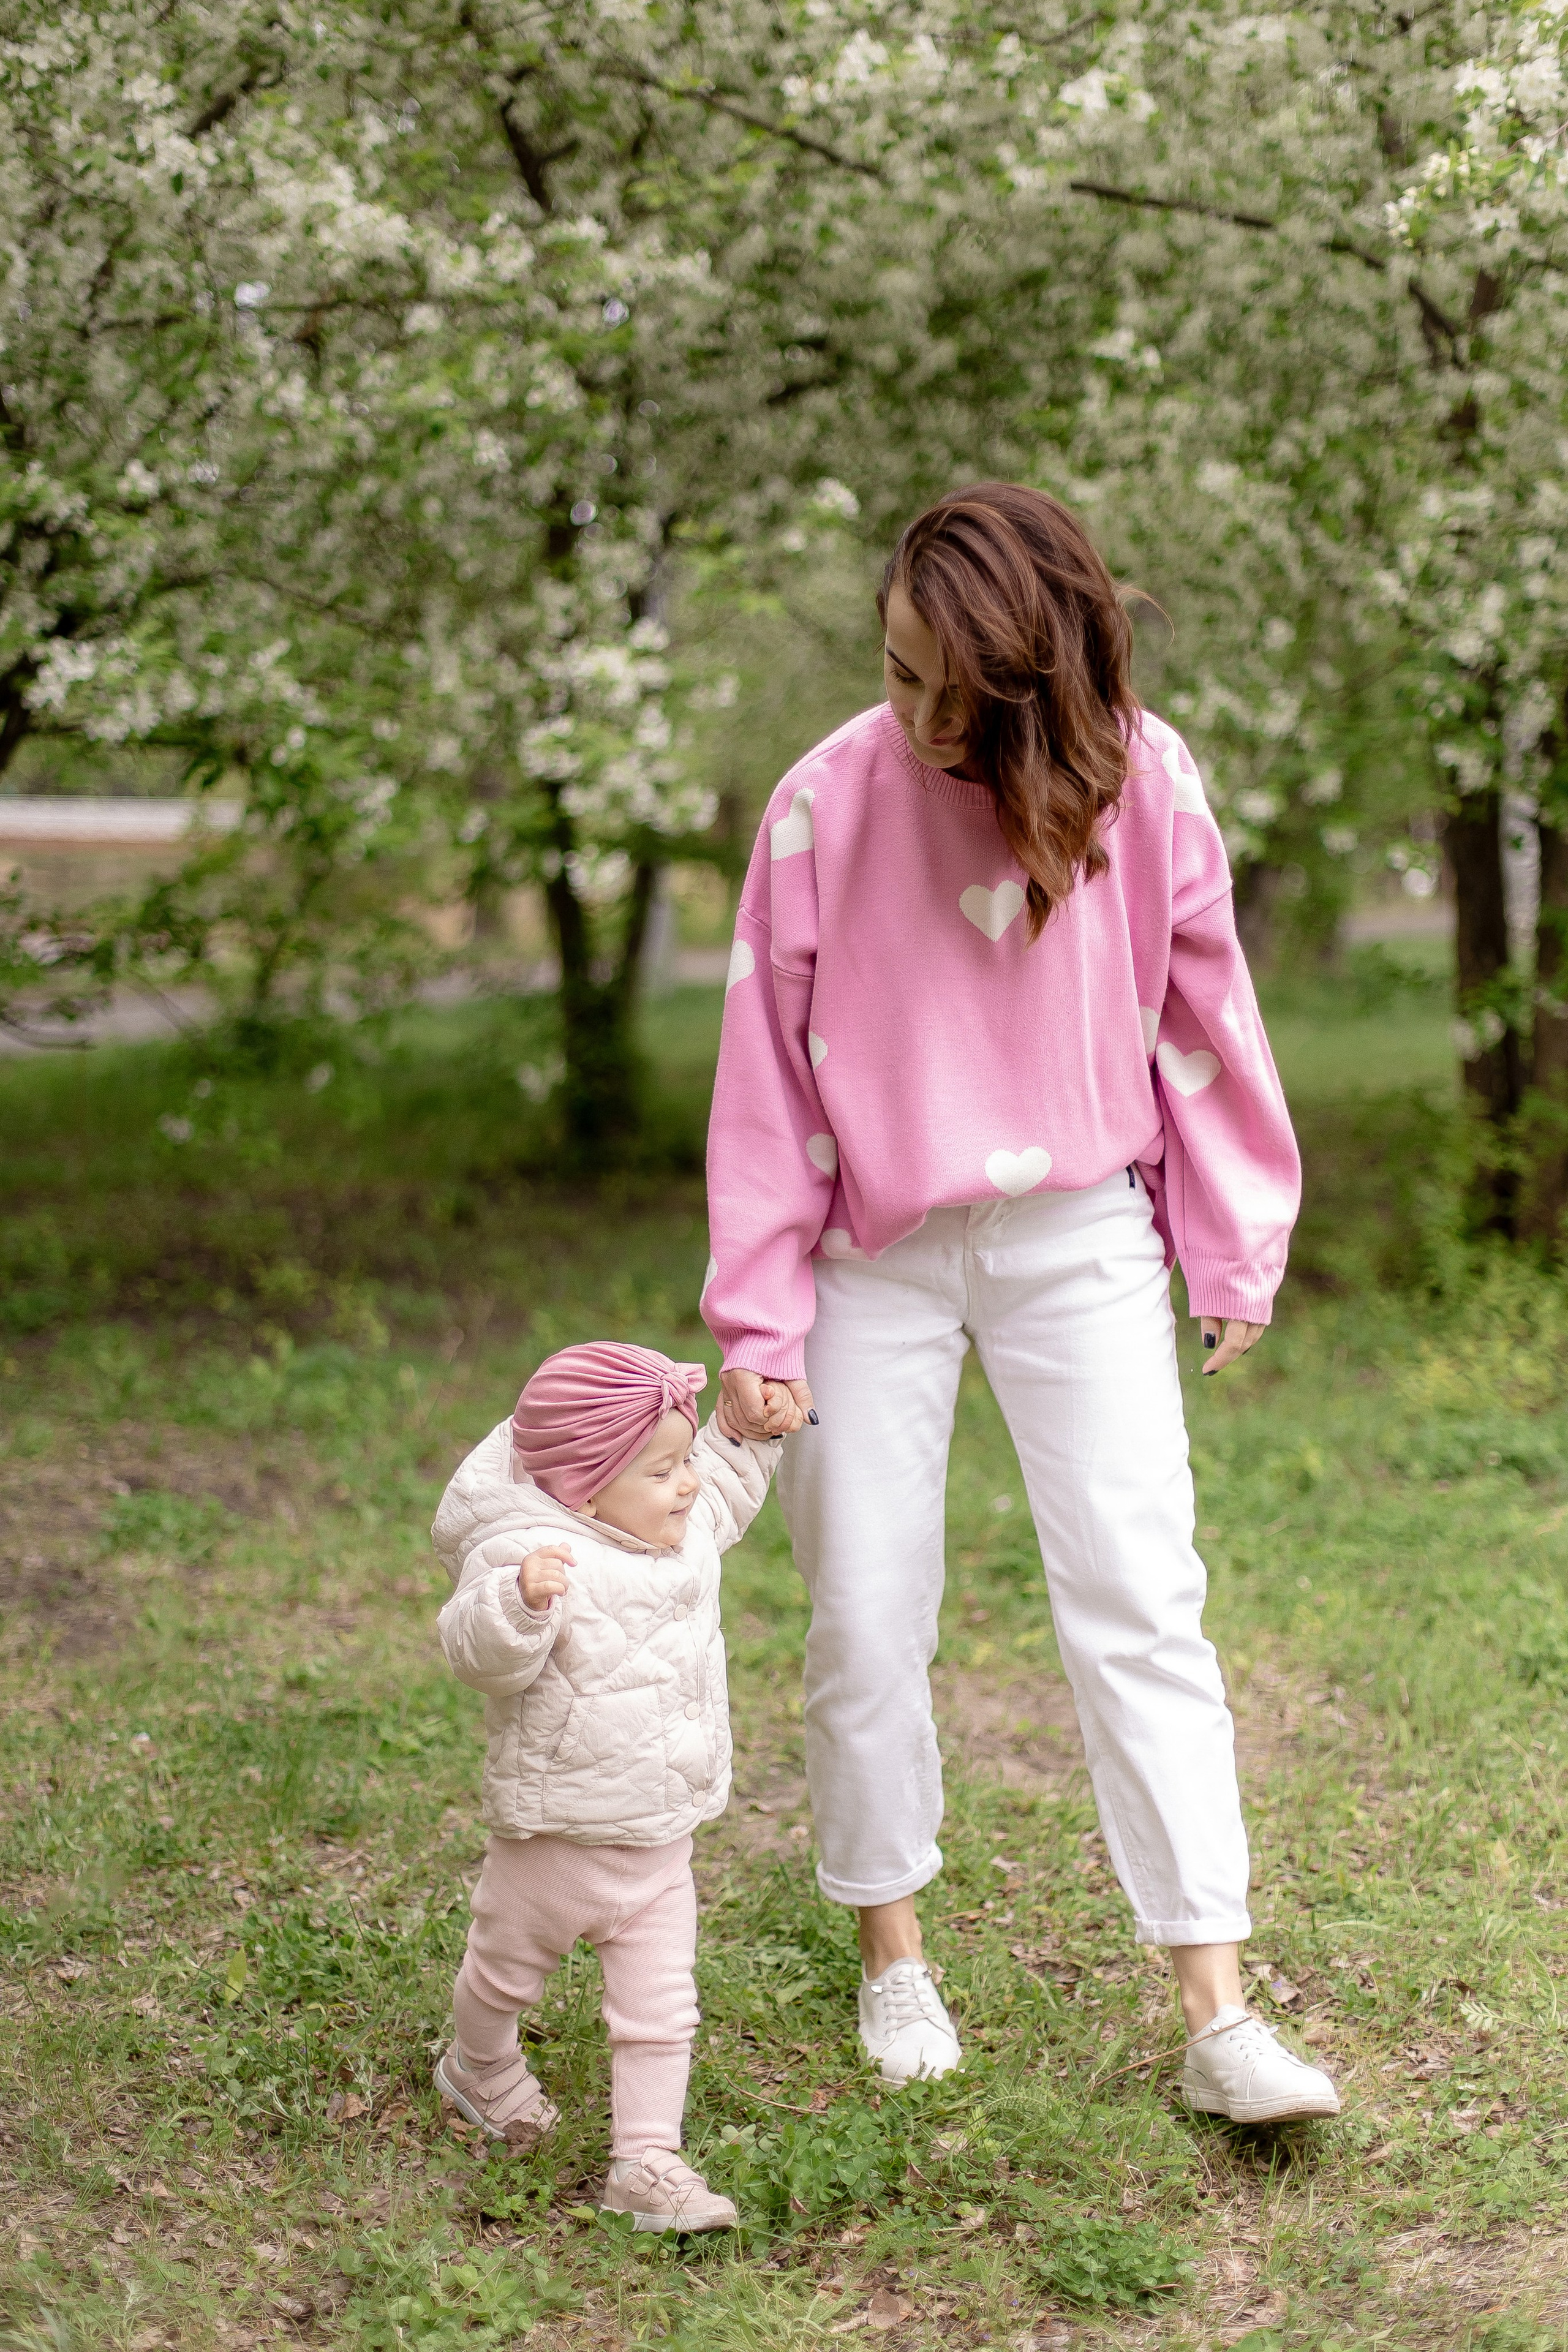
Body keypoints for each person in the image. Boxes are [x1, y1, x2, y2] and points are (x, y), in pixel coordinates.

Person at [703, 483, 1340, 2126]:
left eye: (949, 688)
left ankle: (1217, 2010)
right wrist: (759, 1322)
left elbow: (1209, 1015)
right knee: (865, 1606)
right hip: (874, 1255)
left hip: (1079, 1235)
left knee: (1141, 1594)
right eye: (895, 670)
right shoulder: (821, 805)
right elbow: (764, 1088)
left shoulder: (1146, 777)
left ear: (1033, 673)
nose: (915, 715)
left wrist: (1234, 1240)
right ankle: (891, 1955)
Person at [430, 1341, 804, 2230]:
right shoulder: (528, 1549)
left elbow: (721, 1484)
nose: (688, 1487)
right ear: (583, 1483)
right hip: (557, 1840)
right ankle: (478, 2066)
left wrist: (742, 1436)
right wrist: (518, 1604)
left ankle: (646, 2163)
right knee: (502, 1973)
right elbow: (476, 1653)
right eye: (665, 1471)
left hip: (661, 1839)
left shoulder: (672, 1522)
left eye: (684, 1464)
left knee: (662, 2011)